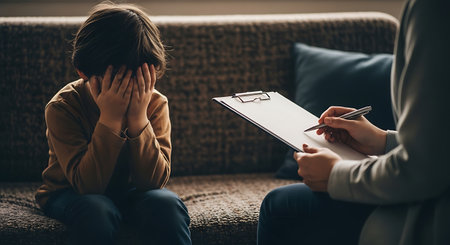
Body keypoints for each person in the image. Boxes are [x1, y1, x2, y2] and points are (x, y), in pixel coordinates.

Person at [257, 0, 450, 244]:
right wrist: (383, 140)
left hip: (434, 219)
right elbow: (440, 144)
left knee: (281, 205)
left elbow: (425, 170)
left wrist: (336, 175)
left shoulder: (435, 9)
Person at [35, 3, 191, 244]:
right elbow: (88, 186)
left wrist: (139, 119)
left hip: (131, 193)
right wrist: (110, 118)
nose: (128, 91)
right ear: (83, 72)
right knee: (97, 209)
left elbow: (153, 183)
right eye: (116, 82)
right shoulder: (63, 107)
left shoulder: (155, 104)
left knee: (167, 204)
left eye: (138, 80)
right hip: (70, 192)